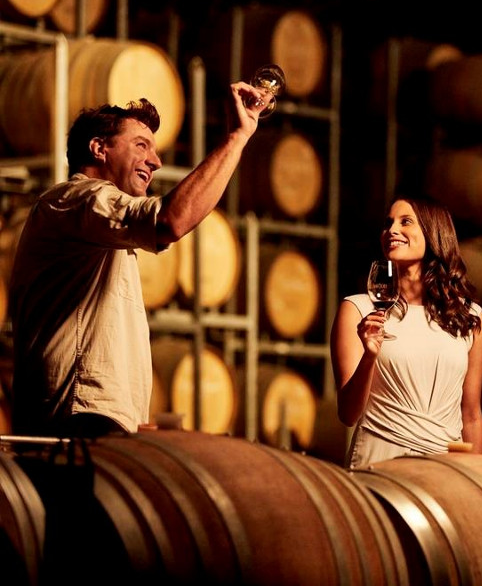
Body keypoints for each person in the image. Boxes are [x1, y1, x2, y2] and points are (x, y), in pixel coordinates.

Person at [8, 75, 280, 438]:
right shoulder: (77, 199)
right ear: (99, 148)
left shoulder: (98, 227)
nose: (155, 161)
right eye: (141, 145)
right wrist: (236, 137)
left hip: (93, 422)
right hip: (76, 425)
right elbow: (171, 220)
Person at [330, 196, 482, 468]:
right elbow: (348, 414)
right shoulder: (357, 309)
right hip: (379, 461)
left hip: (444, 466)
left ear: (434, 234)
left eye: (405, 222)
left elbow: (471, 415)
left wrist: (475, 479)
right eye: (388, 223)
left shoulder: (468, 316)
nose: (392, 230)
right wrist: (369, 356)